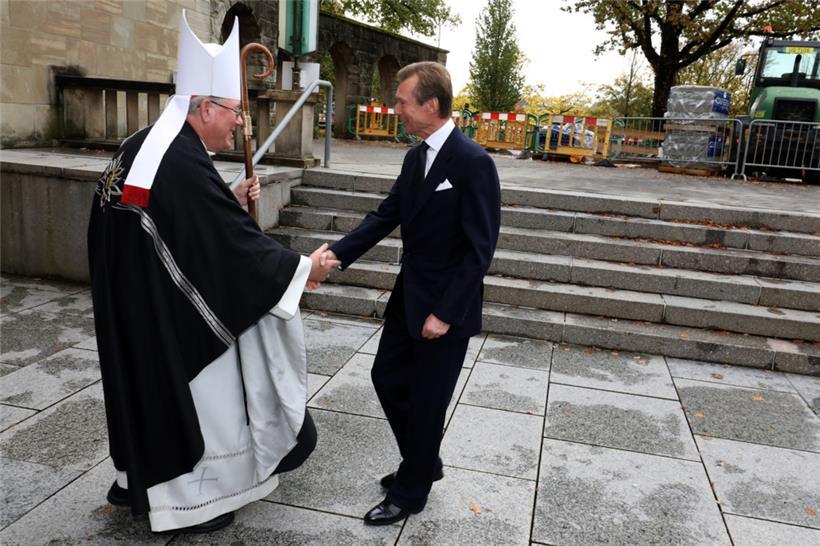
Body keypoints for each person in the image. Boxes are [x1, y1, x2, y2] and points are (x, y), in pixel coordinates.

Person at [87, 11, 339, 534]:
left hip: (136, 307)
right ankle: (189, 503)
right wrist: (301, 267)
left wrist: (222, 199)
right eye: (233, 113)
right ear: (203, 106)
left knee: (147, 396)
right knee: (202, 401)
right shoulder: (178, 160)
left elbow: (172, 222)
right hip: (169, 318)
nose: (239, 124)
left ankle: (139, 478)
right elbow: (225, 246)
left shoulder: (148, 143)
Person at [319, 62, 501, 525]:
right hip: (408, 297)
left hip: (444, 309)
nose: (395, 108)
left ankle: (411, 489)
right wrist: (336, 255)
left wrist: (445, 312)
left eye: (402, 101)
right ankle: (425, 460)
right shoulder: (414, 156)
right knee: (386, 378)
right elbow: (385, 216)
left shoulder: (473, 162)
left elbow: (479, 250)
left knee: (426, 399)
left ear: (431, 105)